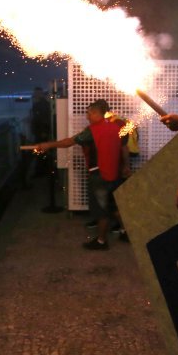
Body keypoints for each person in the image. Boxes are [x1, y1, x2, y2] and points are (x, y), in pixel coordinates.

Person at [35, 99, 129, 250]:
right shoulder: (116, 127)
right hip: (115, 173)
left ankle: (101, 241)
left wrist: (48, 145)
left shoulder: (93, 131)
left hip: (100, 174)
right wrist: (126, 166)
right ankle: (125, 232)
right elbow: (124, 148)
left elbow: (68, 142)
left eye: (88, 112)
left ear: (95, 112)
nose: (87, 116)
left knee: (101, 210)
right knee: (113, 204)